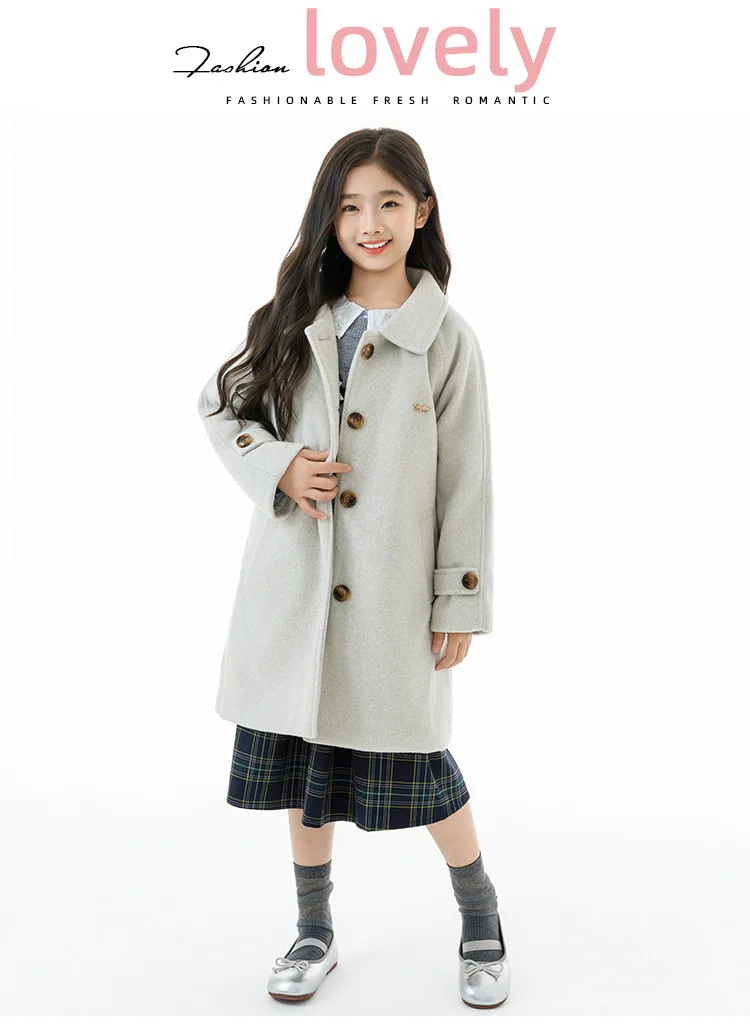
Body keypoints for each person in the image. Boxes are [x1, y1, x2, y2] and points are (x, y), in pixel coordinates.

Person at [196, 127, 509, 1009]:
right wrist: (279, 466)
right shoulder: (293, 322)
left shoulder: (447, 341)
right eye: (349, 206)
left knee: (424, 769)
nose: (369, 223)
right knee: (305, 775)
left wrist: (458, 603)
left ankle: (480, 914)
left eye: (389, 203)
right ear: (328, 219)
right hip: (293, 596)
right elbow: (221, 407)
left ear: (422, 212)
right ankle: (314, 928)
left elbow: (468, 482)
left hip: (391, 606)